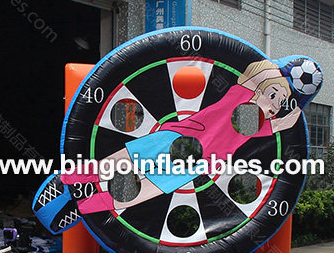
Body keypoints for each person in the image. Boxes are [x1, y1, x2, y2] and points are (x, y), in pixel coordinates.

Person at [63, 60, 301, 213]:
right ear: (257, 89)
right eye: (273, 95)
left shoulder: (256, 126)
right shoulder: (239, 95)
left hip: (190, 166)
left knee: (132, 196)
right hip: (174, 138)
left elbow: (284, 122)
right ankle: (66, 180)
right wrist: (284, 71)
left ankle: (82, 208)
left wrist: (299, 102)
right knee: (113, 165)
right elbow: (257, 72)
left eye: (280, 102)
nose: (275, 105)